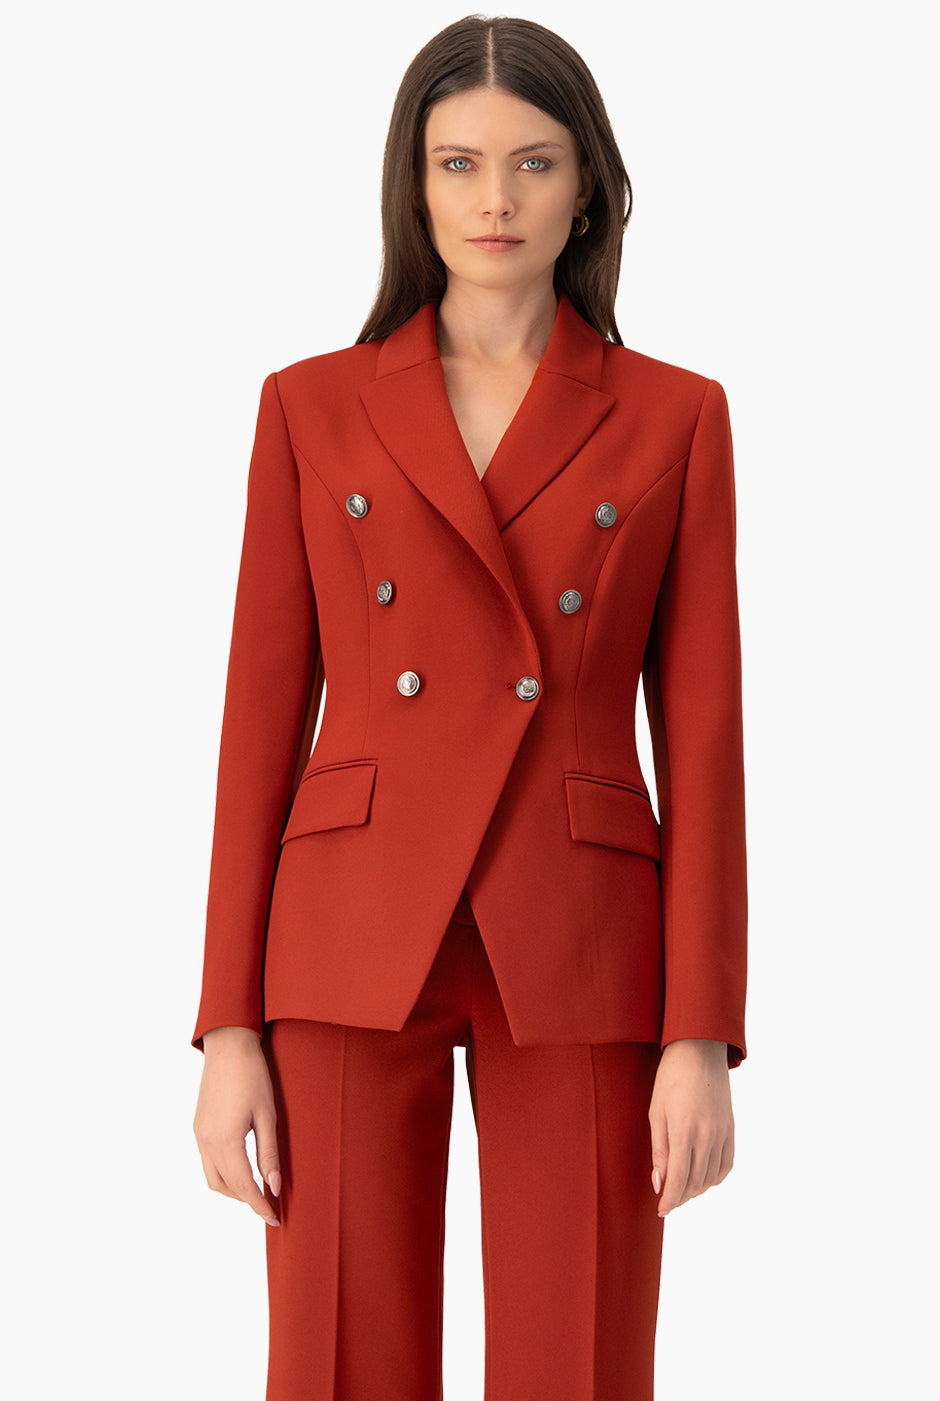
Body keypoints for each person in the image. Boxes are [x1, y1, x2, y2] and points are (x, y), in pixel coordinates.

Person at [191, 14, 747, 1401]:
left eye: (533, 162)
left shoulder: (675, 416)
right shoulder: (310, 407)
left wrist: (701, 1029)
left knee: (581, 1362)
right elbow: (257, 724)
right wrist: (227, 1025)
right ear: (413, 184)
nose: (495, 199)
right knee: (338, 1363)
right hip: (347, 927)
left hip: (581, 932)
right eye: (458, 163)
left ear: (589, 187)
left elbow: (706, 738)